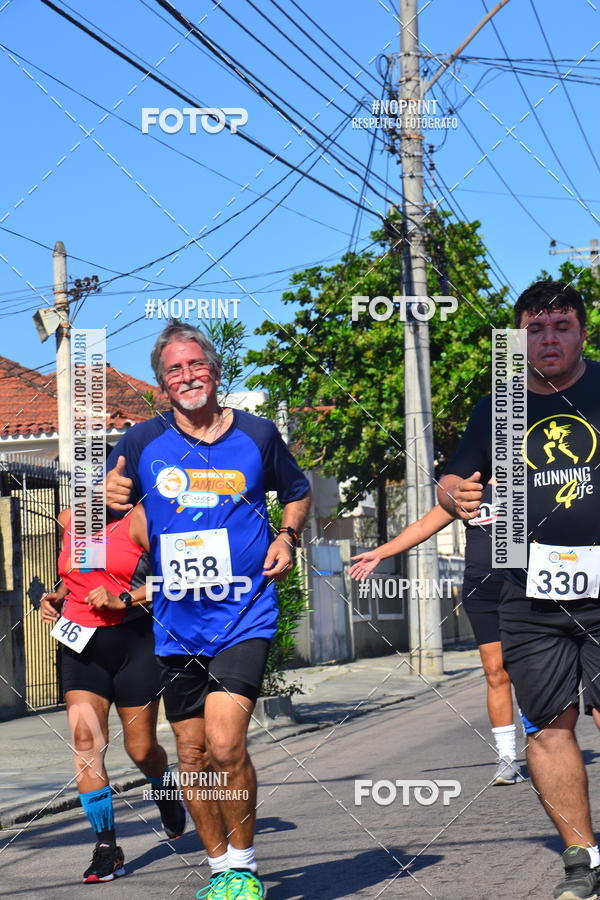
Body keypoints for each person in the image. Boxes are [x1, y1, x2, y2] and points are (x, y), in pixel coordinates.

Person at [105, 319, 311, 900]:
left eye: (197, 365)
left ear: (215, 373)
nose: (188, 376)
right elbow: (108, 507)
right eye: (175, 369)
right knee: (191, 755)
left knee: (224, 746)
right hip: (175, 621)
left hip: (244, 611)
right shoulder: (142, 442)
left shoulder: (259, 435)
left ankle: (244, 865)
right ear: (162, 384)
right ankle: (221, 870)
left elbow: (296, 492)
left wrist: (287, 539)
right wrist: (110, 499)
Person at [438, 281, 600, 900]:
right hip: (528, 590)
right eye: (536, 329)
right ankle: (582, 859)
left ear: (582, 332)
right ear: (520, 338)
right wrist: (455, 492)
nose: (549, 338)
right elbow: (452, 481)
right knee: (548, 728)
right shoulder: (497, 408)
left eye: (561, 325)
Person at [40, 502, 185, 884]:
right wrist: (56, 596)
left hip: (134, 643)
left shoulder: (140, 517)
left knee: (141, 750)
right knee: (86, 742)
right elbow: (77, 576)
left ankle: (164, 787)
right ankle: (107, 848)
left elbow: (173, 579)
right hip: (81, 647)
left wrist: (122, 599)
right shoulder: (68, 521)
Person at [349, 485, 524, 786]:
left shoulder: (531, 476)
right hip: (481, 591)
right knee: (495, 673)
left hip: (525, 587)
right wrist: (379, 553)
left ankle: (545, 745)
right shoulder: (469, 489)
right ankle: (506, 759)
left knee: (529, 671)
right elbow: (422, 526)